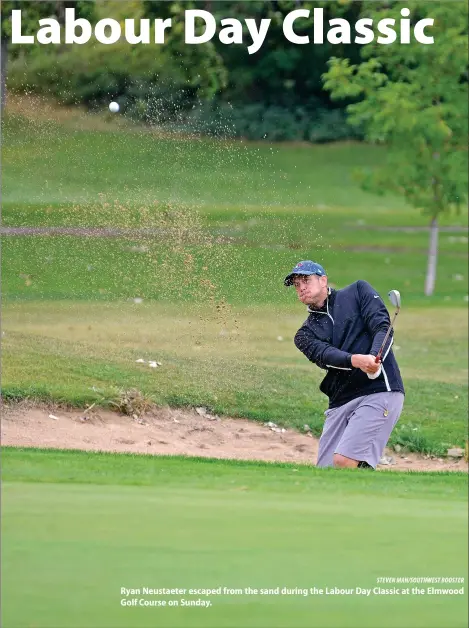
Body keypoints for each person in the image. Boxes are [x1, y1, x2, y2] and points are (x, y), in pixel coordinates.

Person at [284, 260, 405, 470]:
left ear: (323, 280)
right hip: (340, 400)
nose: (301, 287)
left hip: (379, 390)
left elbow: (382, 327)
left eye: (306, 280)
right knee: (326, 470)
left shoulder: (358, 292)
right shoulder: (304, 334)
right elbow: (326, 355)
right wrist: (357, 360)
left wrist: (375, 357)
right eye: (296, 284)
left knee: (345, 461)